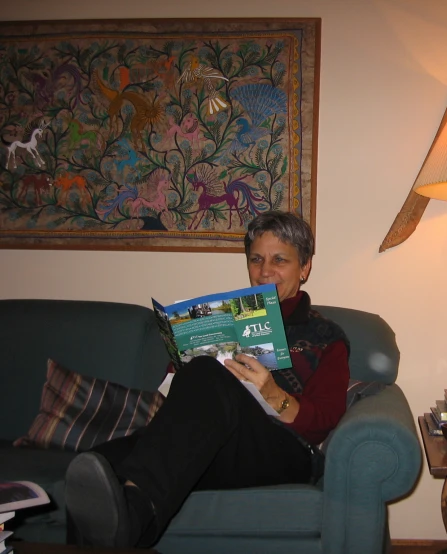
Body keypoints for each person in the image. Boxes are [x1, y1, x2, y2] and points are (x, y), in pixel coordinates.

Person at [65, 211, 350, 548]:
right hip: (215, 438)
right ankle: (128, 522)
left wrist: (273, 395)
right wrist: (178, 374)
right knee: (95, 469)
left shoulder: (327, 336)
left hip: (282, 448)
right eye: (256, 259)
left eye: (280, 260)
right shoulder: (224, 318)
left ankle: (136, 516)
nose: (264, 271)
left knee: (206, 371)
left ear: (304, 268)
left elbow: (325, 421)